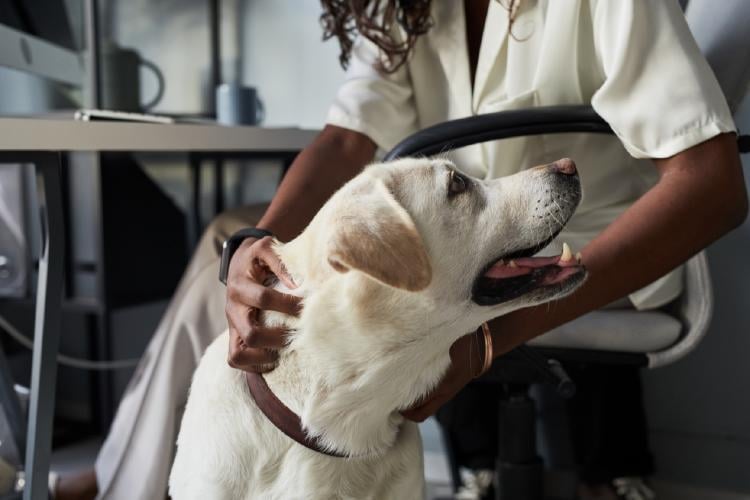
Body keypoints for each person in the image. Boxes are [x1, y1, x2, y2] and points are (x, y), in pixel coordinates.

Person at [56, 0, 747, 499]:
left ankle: (127, 478)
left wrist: (488, 340)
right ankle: (158, 476)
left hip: (584, 241)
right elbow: (346, 139)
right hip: (465, 241)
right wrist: (254, 248)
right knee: (226, 236)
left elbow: (711, 186)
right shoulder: (404, 7)